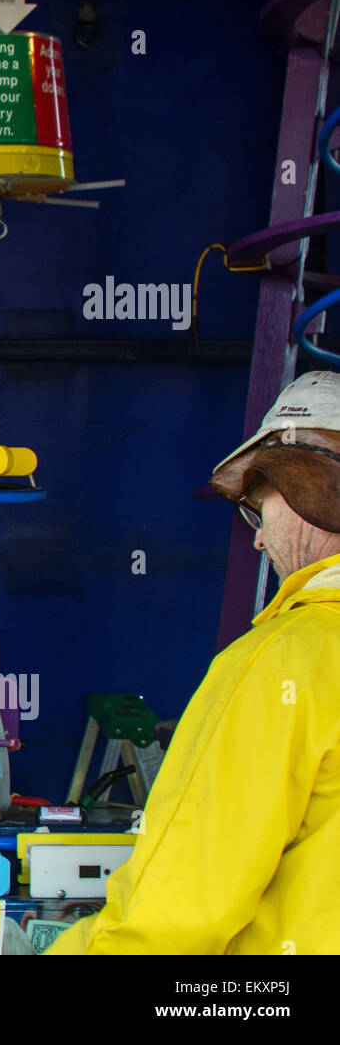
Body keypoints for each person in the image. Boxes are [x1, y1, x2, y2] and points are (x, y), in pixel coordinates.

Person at [47, 370, 340, 954]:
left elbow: (176, 916)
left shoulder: (281, 661)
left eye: (259, 509)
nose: (258, 541)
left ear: (309, 486)